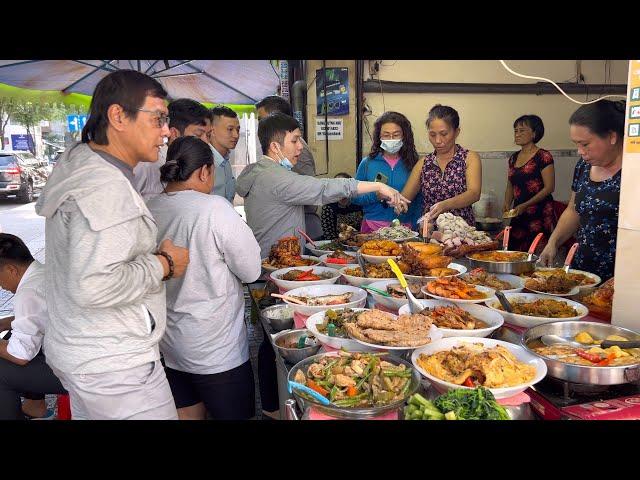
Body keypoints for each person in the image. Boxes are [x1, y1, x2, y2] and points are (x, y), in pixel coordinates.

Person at [34, 69, 190, 420]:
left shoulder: (78, 160)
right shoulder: (105, 185)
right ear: (118, 116)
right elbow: (94, 284)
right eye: (158, 118)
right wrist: (164, 263)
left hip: (83, 352)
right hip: (115, 366)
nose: (166, 132)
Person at [147, 137, 261, 420]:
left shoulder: (149, 208)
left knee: (187, 415)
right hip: (218, 352)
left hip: (170, 346)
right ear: (204, 172)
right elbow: (251, 271)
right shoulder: (215, 209)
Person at [236, 112, 410, 258]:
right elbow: (324, 188)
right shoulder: (276, 178)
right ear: (275, 146)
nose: (300, 148)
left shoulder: (260, 171)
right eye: (295, 141)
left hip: (271, 257)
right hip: (275, 262)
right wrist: (378, 186)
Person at [539, 100, 625, 281]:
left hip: (621, 277)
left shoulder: (633, 171)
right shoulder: (584, 167)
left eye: (585, 144)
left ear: (612, 136)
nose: (579, 151)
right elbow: (573, 210)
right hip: (583, 272)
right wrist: (553, 242)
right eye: (576, 144)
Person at [0, 234, 67, 420]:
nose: (1, 286)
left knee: (1, 369)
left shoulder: (28, 292)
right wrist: (5, 323)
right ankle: (35, 407)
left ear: (11, 269)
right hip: (83, 354)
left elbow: (20, 356)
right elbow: (39, 316)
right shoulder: (43, 273)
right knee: (15, 332)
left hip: (80, 371)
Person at [398, 104, 481, 227]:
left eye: (444, 134)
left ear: (457, 132)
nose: (438, 140)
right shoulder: (424, 164)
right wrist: (394, 200)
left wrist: (445, 205)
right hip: (429, 232)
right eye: (432, 135)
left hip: (461, 232)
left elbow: (474, 193)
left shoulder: (469, 158)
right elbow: (404, 199)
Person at [352, 111, 423, 232]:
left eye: (396, 135)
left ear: (405, 136)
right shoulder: (367, 163)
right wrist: (376, 195)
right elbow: (354, 197)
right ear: (379, 137)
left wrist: (416, 227)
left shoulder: (416, 164)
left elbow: (420, 201)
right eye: (386, 135)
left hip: (406, 230)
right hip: (372, 228)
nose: (391, 139)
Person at [133, 98, 211, 200]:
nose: (206, 142)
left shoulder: (196, 165)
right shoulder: (147, 164)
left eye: (208, 135)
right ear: (174, 134)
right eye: (199, 134)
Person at [503, 115, 556, 252]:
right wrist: (507, 204)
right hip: (519, 213)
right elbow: (510, 184)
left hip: (539, 213)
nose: (517, 134)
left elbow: (549, 187)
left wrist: (526, 204)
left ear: (534, 133)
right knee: (515, 253)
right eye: (515, 131)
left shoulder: (543, 156)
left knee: (535, 254)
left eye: (522, 130)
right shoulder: (513, 157)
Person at [255, 95, 316, 177]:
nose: (260, 125)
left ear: (278, 118)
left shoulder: (297, 149)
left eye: (261, 120)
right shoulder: (276, 143)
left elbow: (307, 185)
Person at [208, 105, 239, 203]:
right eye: (230, 129)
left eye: (238, 129)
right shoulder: (203, 162)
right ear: (212, 131)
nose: (236, 135)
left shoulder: (225, 160)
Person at [320, 173, 364, 239]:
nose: (341, 190)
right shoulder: (328, 208)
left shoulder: (359, 204)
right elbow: (329, 236)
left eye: (344, 187)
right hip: (336, 245)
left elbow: (364, 230)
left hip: (358, 243)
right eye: (337, 187)